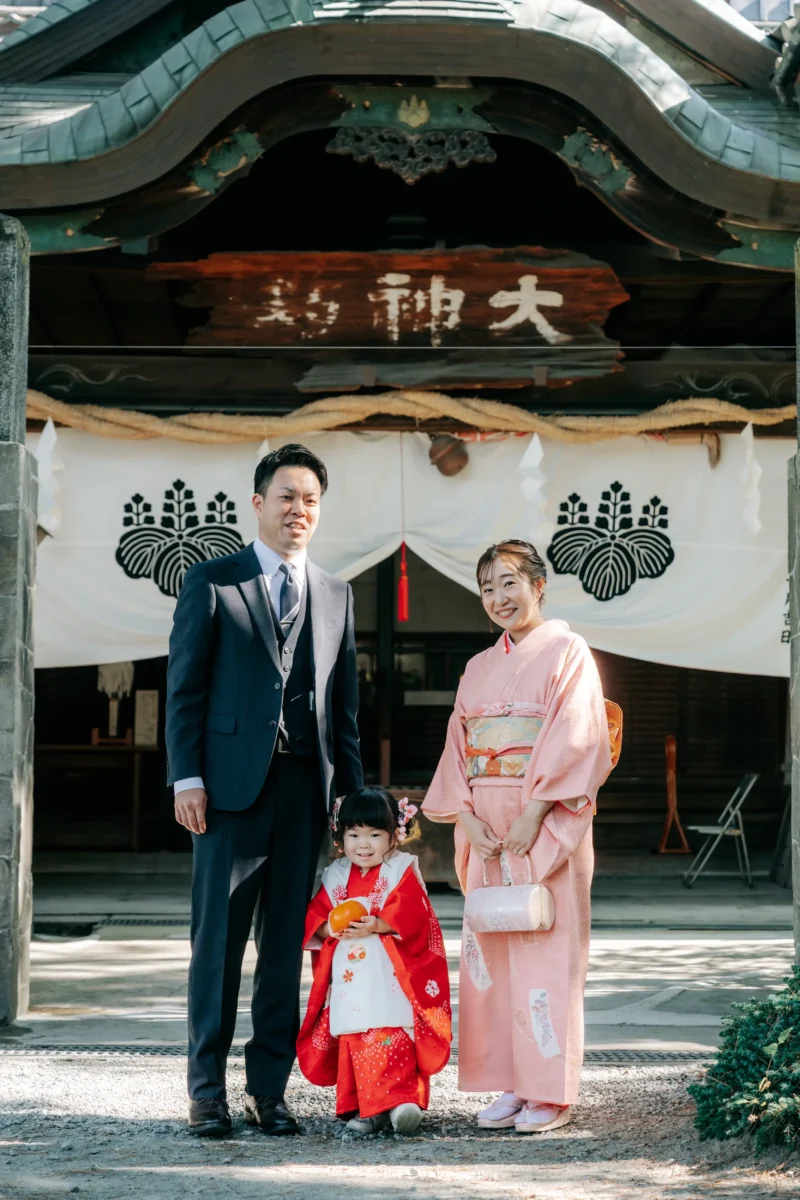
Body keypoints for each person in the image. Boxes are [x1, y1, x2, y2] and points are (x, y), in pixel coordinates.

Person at [166, 443, 363, 1138]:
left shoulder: (336, 594)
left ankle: (269, 1092)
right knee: (216, 945)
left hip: (305, 794)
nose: (298, 510)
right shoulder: (213, 581)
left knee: (285, 949)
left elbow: (345, 712)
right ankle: (206, 1093)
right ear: (258, 504)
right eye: (286, 497)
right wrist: (185, 776)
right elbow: (184, 689)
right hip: (225, 795)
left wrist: (355, 803)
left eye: (310, 499)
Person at [422, 539, 619, 1134]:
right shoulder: (478, 668)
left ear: (538, 585)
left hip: (545, 818)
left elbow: (579, 733)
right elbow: (459, 746)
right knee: (495, 955)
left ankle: (549, 1091)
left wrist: (536, 810)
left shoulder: (568, 650)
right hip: (486, 823)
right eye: (487, 587)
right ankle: (511, 1081)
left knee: (547, 953)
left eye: (509, 582)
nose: (498, 597)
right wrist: (466, 816)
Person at [297, 787, 451, 1134]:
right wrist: (328, 929)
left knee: (392, 1031)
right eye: (353, 834)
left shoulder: (401, 869)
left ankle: (402, 1103)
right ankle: (366, 1108)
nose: (363, 844)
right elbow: (316, 915)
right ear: (340, 836)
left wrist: (381, 923)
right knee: (356, 1034)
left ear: (394, 836)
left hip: (390, 973)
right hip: (351, 974)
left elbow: (416, 913)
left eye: (374, 834)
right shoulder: (335, 874)